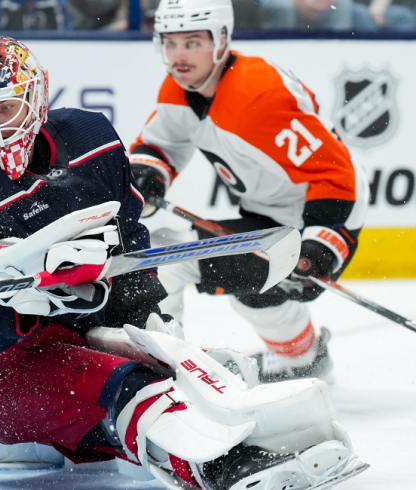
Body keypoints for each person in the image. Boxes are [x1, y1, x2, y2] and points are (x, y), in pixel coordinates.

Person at [0, 36, 367, 490]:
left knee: (192, 372)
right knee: (126, 387)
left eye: (8, 105)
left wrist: (141, 316)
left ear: (38, 92)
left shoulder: (91, 139)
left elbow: (129, 240)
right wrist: (19, 294)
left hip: (69, 336)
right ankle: (212, 467)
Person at [128, 0, 369, 384]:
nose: (178, 56)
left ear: (222, 39)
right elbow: (162, 143)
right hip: (263, 214)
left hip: (318, 218)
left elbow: (335, 174)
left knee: (165, 258)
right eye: (170, 43)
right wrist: (148, 173)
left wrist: (322, 244)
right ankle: (306, 361)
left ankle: (163, 377)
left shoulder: (261, 95)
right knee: (258, 293)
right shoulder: (179, 88)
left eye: (192, 43)